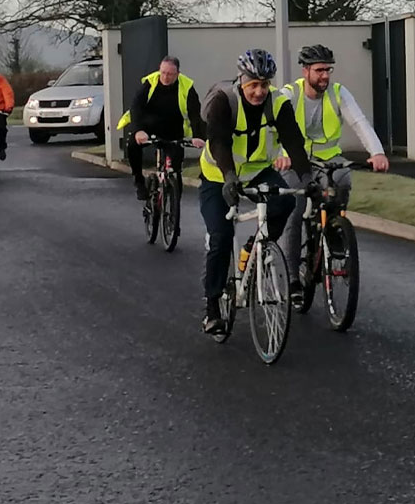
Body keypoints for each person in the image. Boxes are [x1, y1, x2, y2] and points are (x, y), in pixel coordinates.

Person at [199, 48, 313, 334]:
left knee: (286, 202)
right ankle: (212, 307)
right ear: (242, 80)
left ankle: (257, 247)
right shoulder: (225, 101)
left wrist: (308, 181)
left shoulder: (278, 103)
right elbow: (219, 143)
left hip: (258, 171)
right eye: (253, 85)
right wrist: (228, 178)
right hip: (218, 175)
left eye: (264, 85)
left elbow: (295, 142)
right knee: (221, 237)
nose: (259, 91)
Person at [277, 44, 389, 295]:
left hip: (329, 159)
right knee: (293, 213)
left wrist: (377, 152)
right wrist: (279, 156)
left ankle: (335, 227)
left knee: (343, 179)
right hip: (295, 162)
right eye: (319, 70)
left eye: (328, 70)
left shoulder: (338, 92)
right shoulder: (289, 94)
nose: (325, 76)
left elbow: (359, 122)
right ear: (305, 71)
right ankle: (293, 278)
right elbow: (270, 126)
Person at [117, 56, 206, 200]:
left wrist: (198, 136)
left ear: (178, 74)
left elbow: (195, 113)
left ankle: (174, 208)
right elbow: (136, 107)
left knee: (175, 170)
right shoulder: (150, 82)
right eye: (163, 72)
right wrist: (138, 130)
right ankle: (139, 182)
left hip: (173, 128)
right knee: (133, 145)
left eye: (170, 74)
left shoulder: (186, 86)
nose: (165, 77)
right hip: (148, 126)